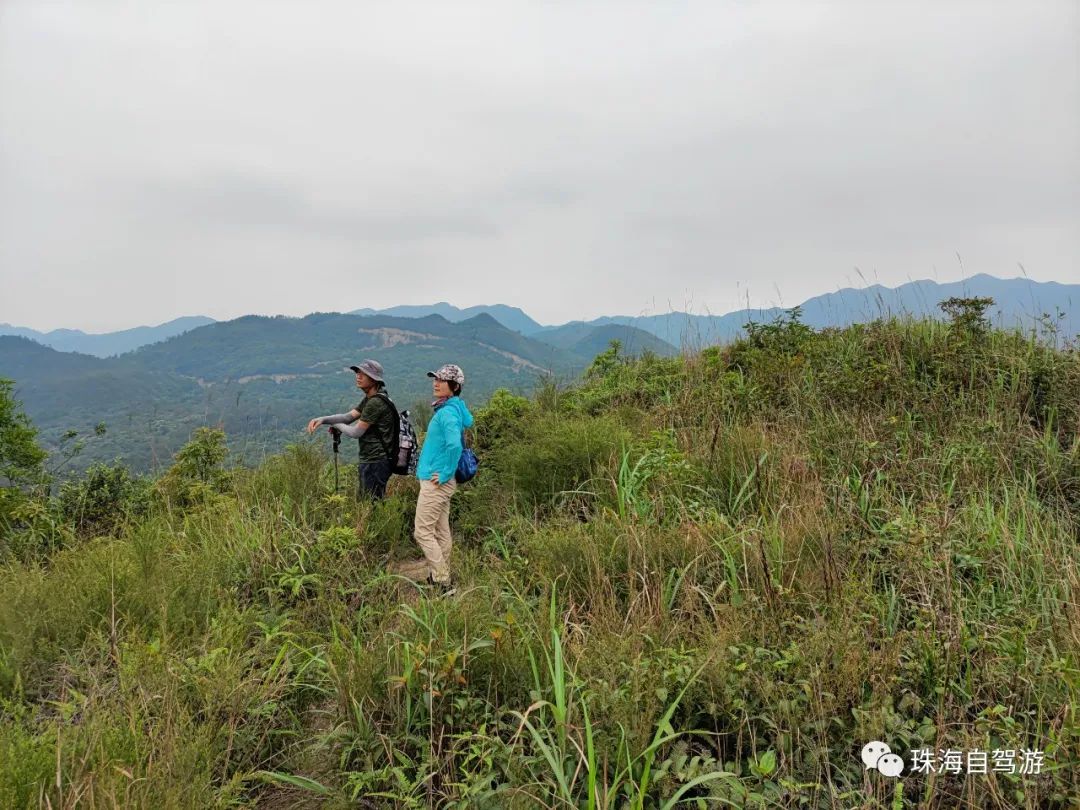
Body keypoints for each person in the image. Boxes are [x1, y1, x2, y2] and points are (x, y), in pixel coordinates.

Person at [395, 363, 473, 592]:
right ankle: (438, 575)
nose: (435, 383)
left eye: (441, 380)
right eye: (435, 379)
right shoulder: (452, 408)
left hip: (436, 481)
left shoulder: (447, 413)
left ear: (454, 386)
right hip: (440, 481)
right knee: (440, 530)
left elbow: (454, 446)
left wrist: (447, 471)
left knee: (422, 532)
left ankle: (442, 581)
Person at [306, 359, 398, 500]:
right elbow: (348, 417)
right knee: (369, 501)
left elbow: (356, 432)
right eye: (357, 373)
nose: (358, 376)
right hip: (373, 460)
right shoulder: (371, 398)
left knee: (370, 503)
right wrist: (323, 419)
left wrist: (336, 426)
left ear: (374, 379)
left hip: (376, 461)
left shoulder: (375, 402)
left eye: (363, 374)